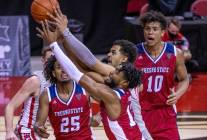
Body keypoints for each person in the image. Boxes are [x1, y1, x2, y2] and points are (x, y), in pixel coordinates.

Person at [46, 7, 153, 140]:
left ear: (124, 60)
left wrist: (62, 36)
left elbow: (87, 64)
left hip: (138, 132)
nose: (108, 55)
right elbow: (80, 71)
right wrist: (63, 41)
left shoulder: (117, 77)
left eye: (114, 52)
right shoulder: (120, 81)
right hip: (137, 132)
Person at [134, 11, 189, 139]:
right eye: (147, 29)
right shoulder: (134, 53)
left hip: (165, 111)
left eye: (154, 29)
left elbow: (184, 79)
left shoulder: (175, 53)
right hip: (140, 112)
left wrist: (178, 94)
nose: (150, 32)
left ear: (163, 32)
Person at [34, 55, 95, 139]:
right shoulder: (47, 95)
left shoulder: (84, 88)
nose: (63, 70)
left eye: (66, 67)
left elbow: (108, 99)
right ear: (54, 73)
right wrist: (39, 128)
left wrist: (99, 116)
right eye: (59, 67)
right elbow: (39, 123)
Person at [4, 46, 52, 140]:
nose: (51, 62)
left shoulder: (57, 82)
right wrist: (9, 132)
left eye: (54, 59)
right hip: (26, 131)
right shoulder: (35, 81)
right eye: (48, 59)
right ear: (43, 60)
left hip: (38, 132)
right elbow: (10, 106)